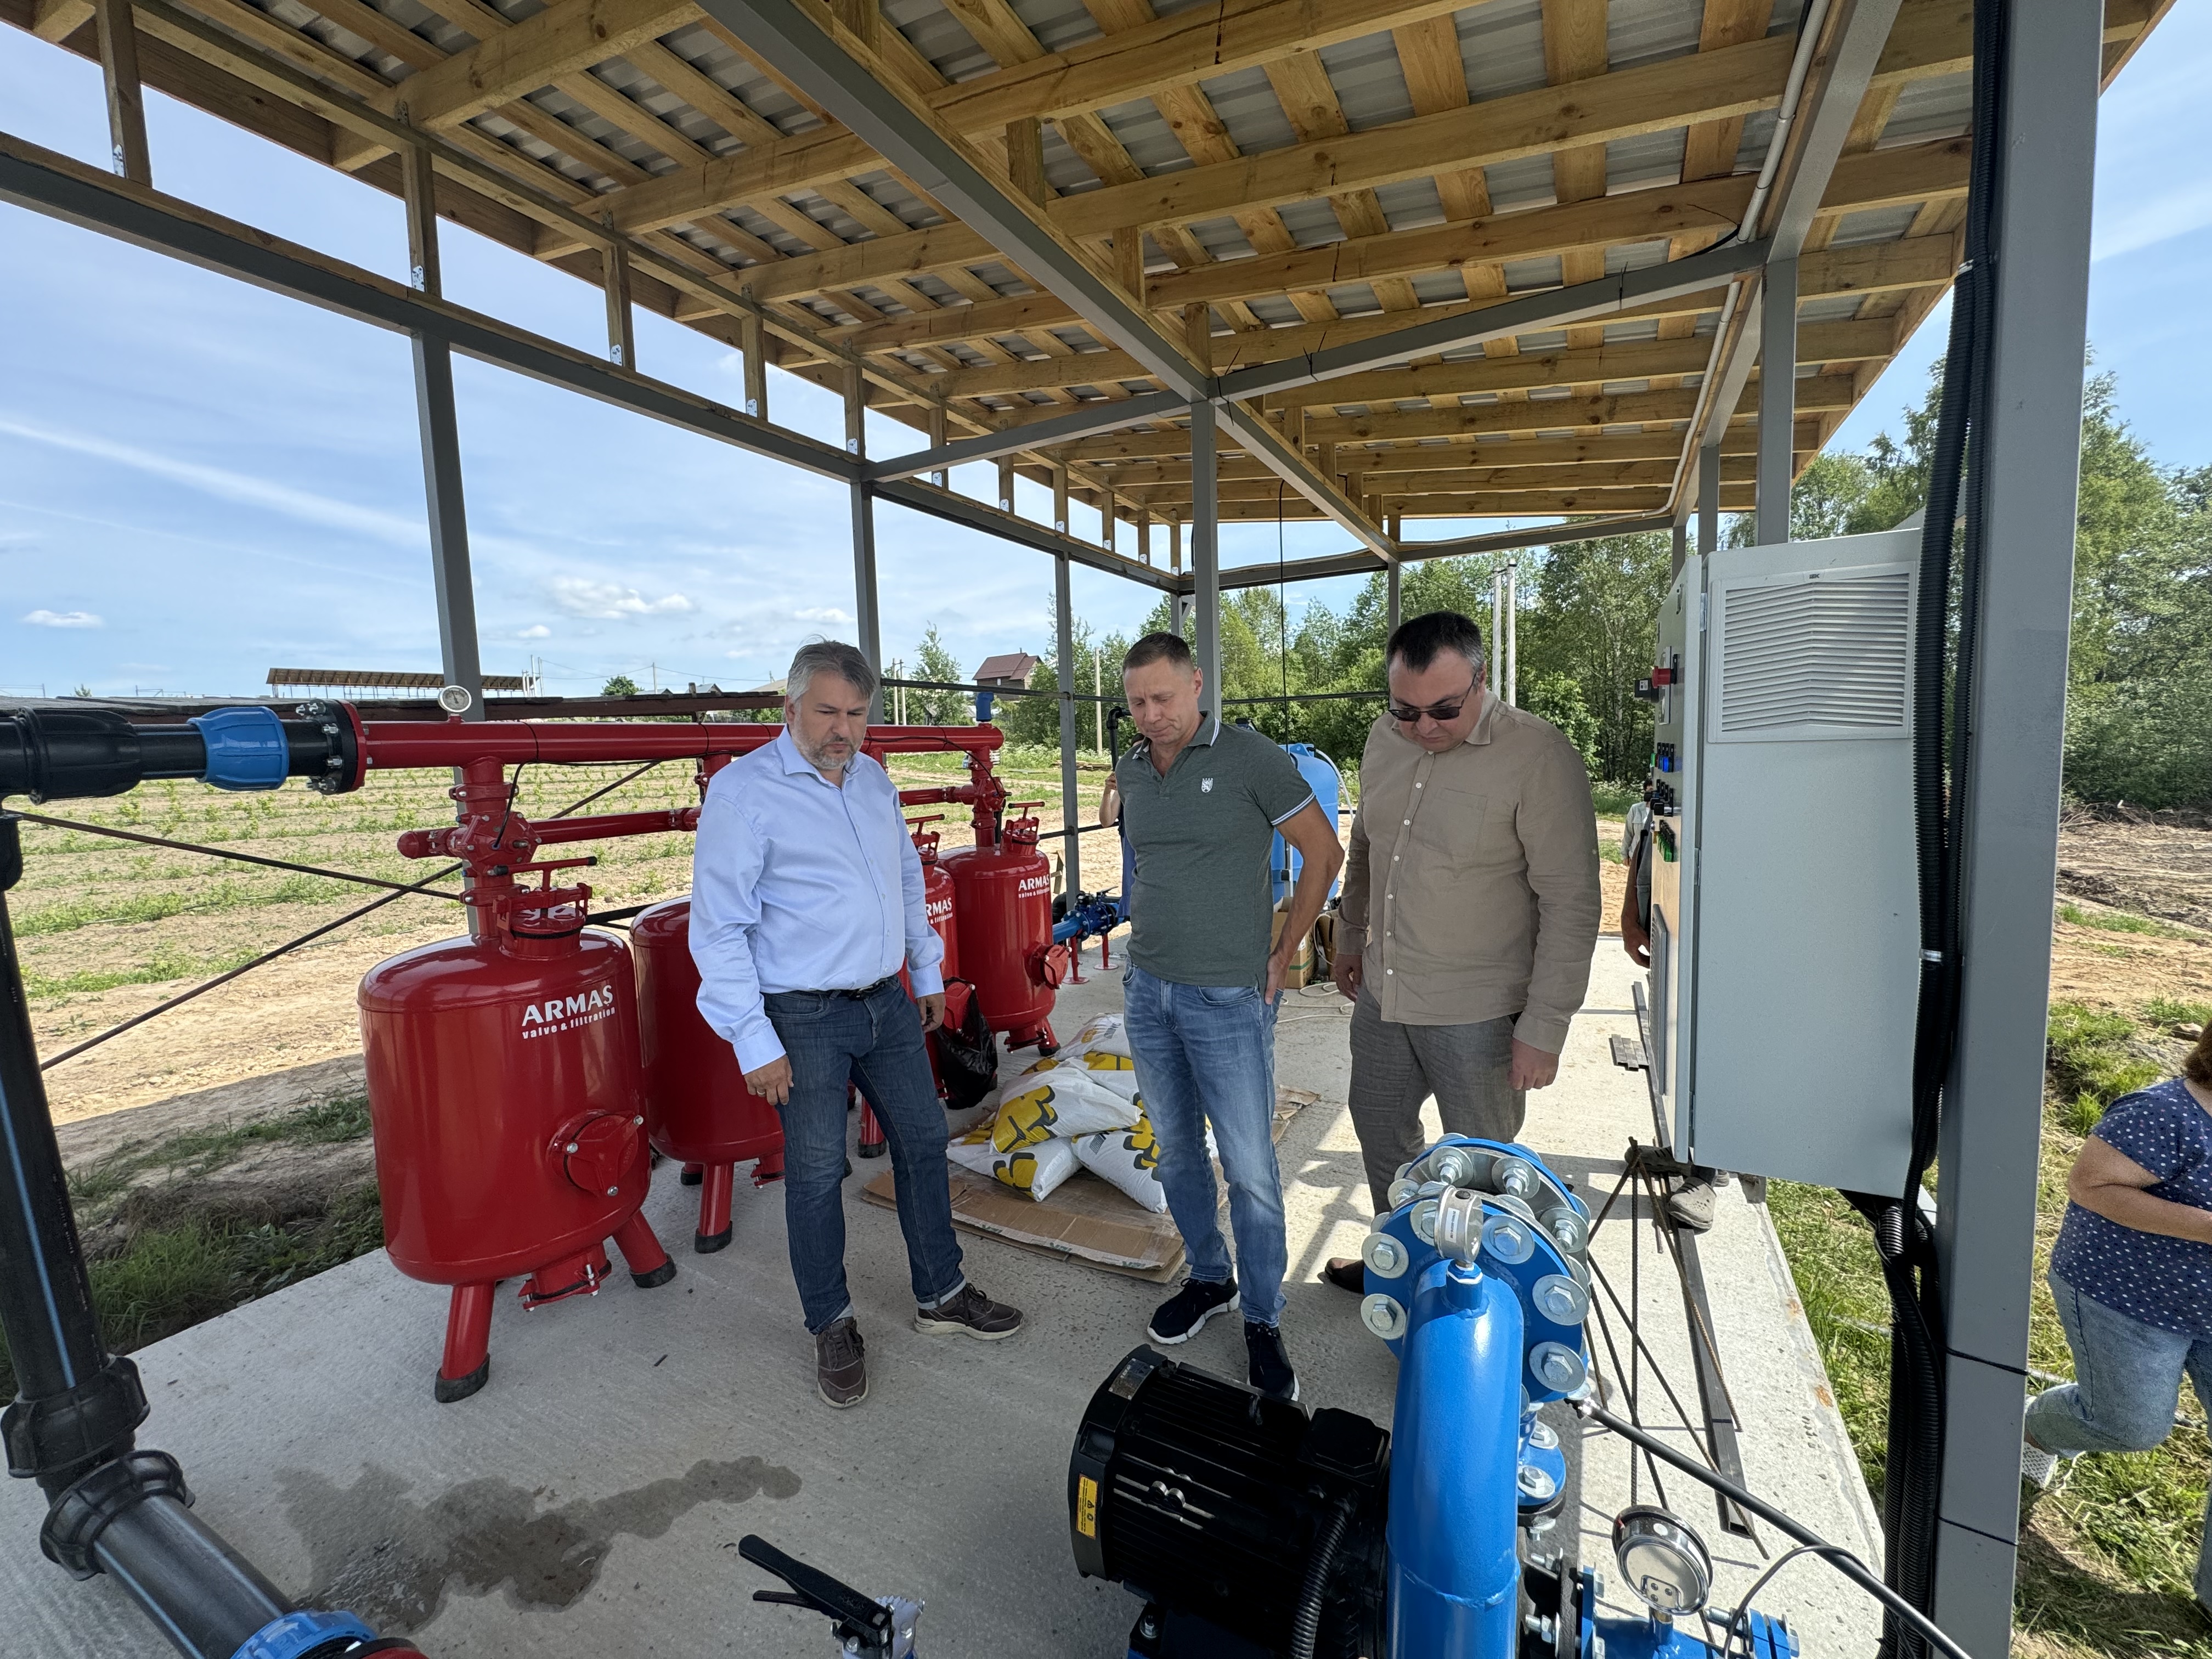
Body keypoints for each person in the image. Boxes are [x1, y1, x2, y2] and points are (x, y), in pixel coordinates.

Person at [690, 641, 1022, 1410]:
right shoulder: (745, 795)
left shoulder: (871, 780)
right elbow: (717, 930)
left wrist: (928, 970)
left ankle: (941, 1291)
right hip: (800, 1015)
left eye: (857, 714)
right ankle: (831, 1321)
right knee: (813, 1174)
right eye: (828, 711)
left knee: (924, 1138)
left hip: (886, 1002)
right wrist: (753, 1038)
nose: (843, 729)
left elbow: (905, 877)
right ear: (791, 709)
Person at [1324, 611, 1601, 1290]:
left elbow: (1572, 902)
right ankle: (1401, 1265)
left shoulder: (1537, 755)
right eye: (1406, 710)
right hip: (1387, 996)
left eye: (1444, 709)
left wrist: (1544, 1028)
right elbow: (1366, 847)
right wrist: (1349, 937)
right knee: (1382, 1137)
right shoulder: (1383, 742)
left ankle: (1478, 1301)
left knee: (1481, 1165)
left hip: (1479, 1013)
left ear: (1482, 681)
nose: (1423, 727)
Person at [1116, 631, 1344, 1402]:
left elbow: (1323, 851)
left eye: (1165, 697)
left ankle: (1264, 1319)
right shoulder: (1132, 769)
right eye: (1139, 701)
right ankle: (1209, 1278)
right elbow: (1152, 868)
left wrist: (1286, 950)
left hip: (1228, 999)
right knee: (1178, 1153)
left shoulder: (1251, 758)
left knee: (1249, 1169)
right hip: (1150, 992)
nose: (1153, 715)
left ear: (1197, 686)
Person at [2022, 1023, 2212, 1613]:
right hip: (2127, 1297)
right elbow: (2091, 1185)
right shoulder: (2163, 1112)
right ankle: (2036, 1427)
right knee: (2129, 1425)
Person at [1620, 821, 1718, 1233]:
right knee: (1681, 1046)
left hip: (1717, 943)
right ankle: (1685, 1149)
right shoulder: (1687, 780)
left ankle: (1709, 1174)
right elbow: (1649, 844)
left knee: (1714, 1048)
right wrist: (1629, 916)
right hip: (1671, 931)